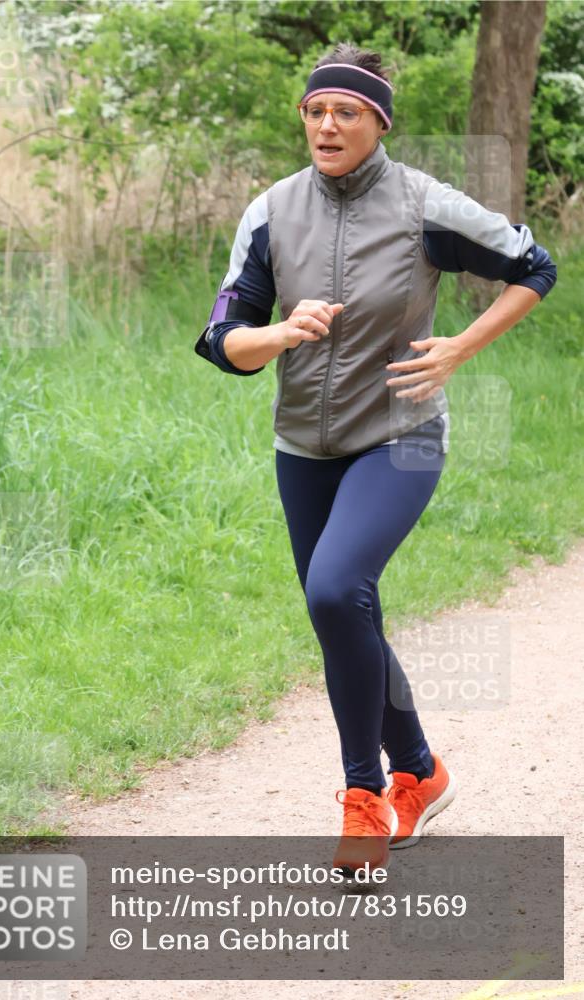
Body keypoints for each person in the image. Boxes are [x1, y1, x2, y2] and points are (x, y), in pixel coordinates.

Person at [195, 43, 557, 874]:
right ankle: (422, 772)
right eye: (316, 111)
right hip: (304, 445)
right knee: (341, 611)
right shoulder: (271, 212)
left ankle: (365, 798)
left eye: (345, 112)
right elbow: (224, 341)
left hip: (402, 435)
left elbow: (532, 266)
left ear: (377, 123)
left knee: (334, 588)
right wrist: (279, 333)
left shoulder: (423, 203)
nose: (327, 124)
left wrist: (459, 347)